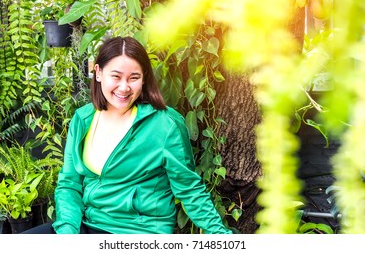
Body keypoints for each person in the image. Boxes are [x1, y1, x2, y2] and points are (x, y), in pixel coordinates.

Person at [25, 36, 232, 234]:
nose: (124, 87)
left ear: (144, 79)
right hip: (88, 225)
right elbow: (70, 184)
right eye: (115, 76)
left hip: (138, 233)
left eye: (134, 78)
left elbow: (190, 190)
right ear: (98, 72)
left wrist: (222, 238)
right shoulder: (82, 119)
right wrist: (68, 234)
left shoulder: (165, 125)